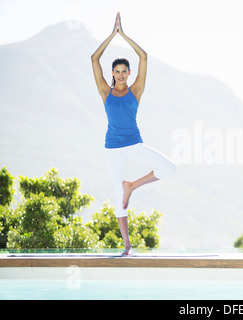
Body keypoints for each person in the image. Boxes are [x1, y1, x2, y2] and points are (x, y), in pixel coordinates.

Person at [91, 12, 175, 255]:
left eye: (124, 71)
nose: (120, 74)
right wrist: (112, 35)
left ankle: (133, 186)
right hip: (112, 148)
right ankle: (127, 245)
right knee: (118, 197)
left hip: (134, 144)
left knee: (169, 168)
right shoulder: (104, 92)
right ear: (112, 73)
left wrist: (124, 35)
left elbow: (144, 56)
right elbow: (94, 58)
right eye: (116, 71)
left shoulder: (136, 90)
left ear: (128, 73)